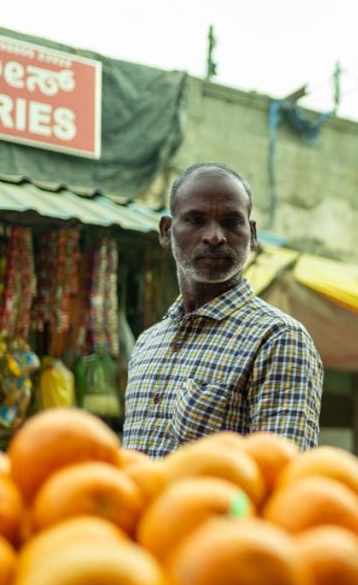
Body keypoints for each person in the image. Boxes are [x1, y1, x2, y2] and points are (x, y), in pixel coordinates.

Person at [123, 163, 323, 458]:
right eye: (195, 220)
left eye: (231, 222)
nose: (215, 236)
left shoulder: (279, 339)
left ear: (252, 235)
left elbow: (280, 479)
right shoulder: (147, 344)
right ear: (166, 232)